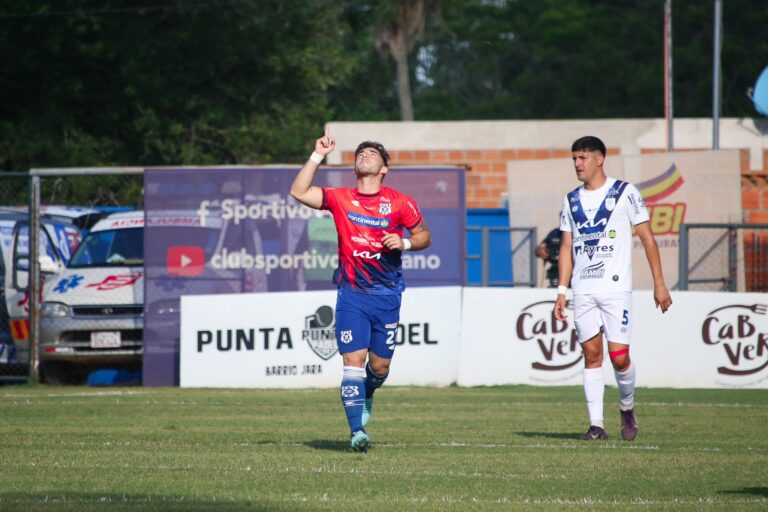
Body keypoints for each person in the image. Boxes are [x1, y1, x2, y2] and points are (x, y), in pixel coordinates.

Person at [290, 126, 432, 452]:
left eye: (372, 154)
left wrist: (405, 242)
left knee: (380, 367)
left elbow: (425, 235)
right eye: (359, 154)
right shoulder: (341, 198)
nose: (364, 155)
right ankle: (357, 433)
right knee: (352, 361)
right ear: (355, 167)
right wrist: (317, 155)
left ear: (384, 168)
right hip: (352, 294)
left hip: (388, 296)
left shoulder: (400, 203)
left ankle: (369, 391)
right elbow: (299, 191)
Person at [553, 135, 672, 442]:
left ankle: (627, 407)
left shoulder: (625, 193)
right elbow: (566, 246)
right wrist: (562, 291)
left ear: (599, 159)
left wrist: (659, 283)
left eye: (582, 158)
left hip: (616, 290)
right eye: (574, 159)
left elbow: (647, 238)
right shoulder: (571, 200)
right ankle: (596, 426)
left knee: (619, 357)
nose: (577, 164)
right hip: (583, 290)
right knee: (591, 355)